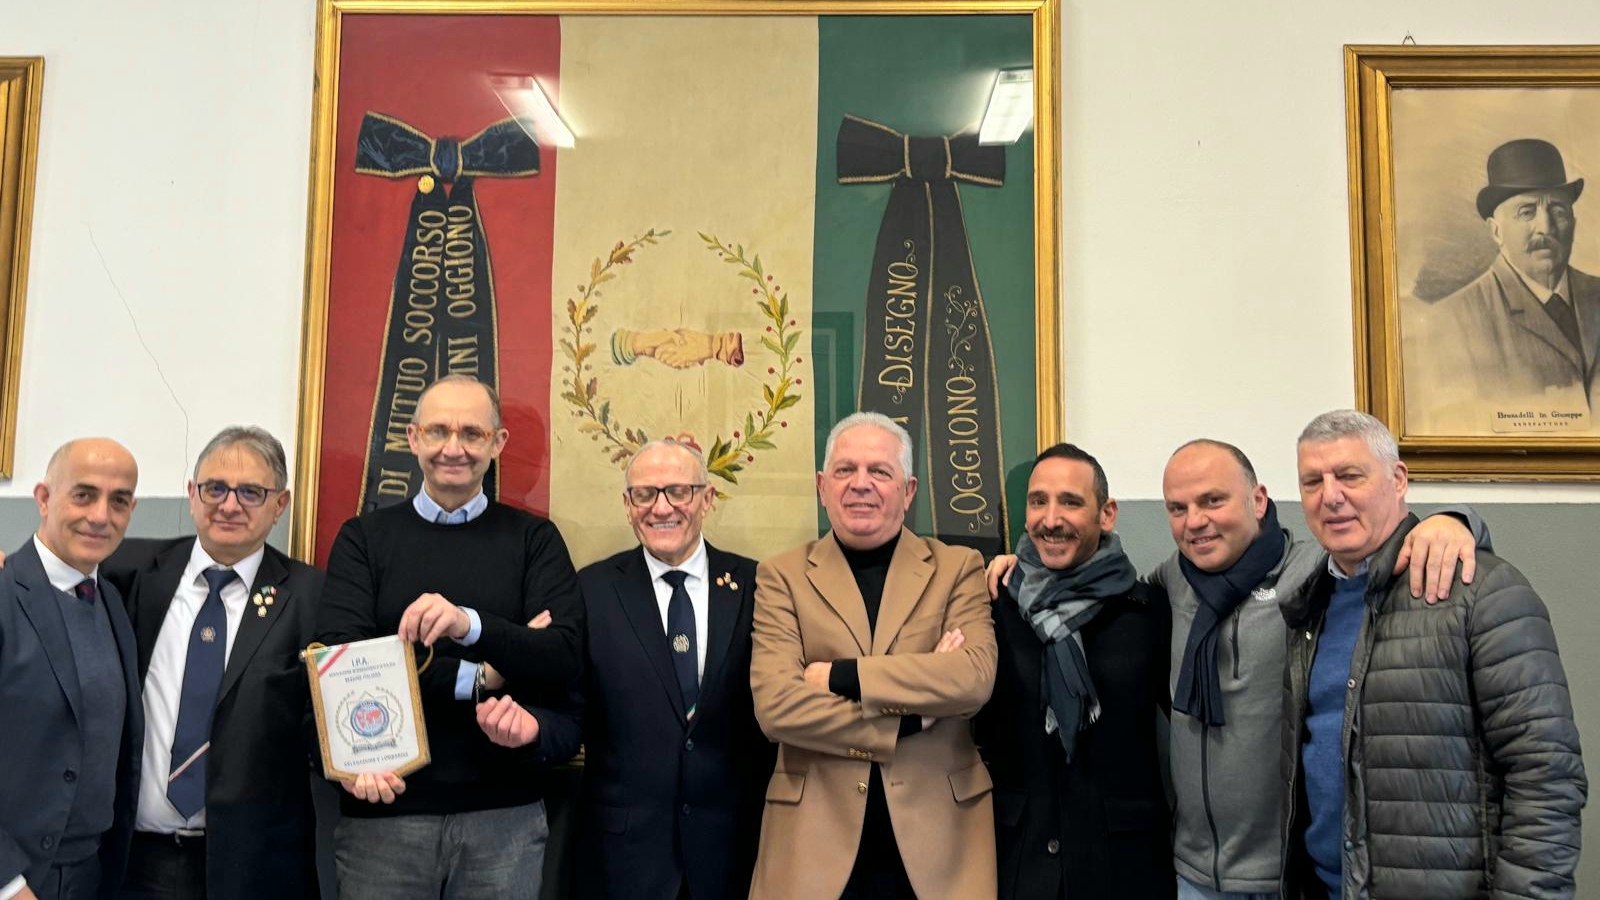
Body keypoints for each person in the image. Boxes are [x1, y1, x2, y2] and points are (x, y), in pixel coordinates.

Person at [986, 439, 1486, 900]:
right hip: (1193, 872)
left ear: (1259, 500)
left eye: (1212, 501)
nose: (1195, 521)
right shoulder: (1168, 586)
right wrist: (1021, 573)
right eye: (1178, 508)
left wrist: (1454, 520)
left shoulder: (1310, 572)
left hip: (1290, 869)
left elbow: (1379, 545)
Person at [1280, 409, 1586, 898]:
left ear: (1398, 479)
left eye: (1350, 476)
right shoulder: (1308, 604)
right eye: (1312, 481)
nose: (1330, 496)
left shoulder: (1483, 590)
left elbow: (1546, 774)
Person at [316, 374, 583, 899]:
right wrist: (490, 672)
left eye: (472, 433)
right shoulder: (362, 540)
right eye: (438, 431)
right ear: (413, 438)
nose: (453, 448)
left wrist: (469, 625)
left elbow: (561, 658)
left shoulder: (536, 541)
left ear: (498, 443)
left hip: (505, 819)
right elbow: (344, 671)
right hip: (385, 815)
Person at [748, 411, 998, 900]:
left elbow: (971, 679)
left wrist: (839, 677)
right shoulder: (781, 576)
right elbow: (776, 708)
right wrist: (908, 720)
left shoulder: (957, 567)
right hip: (813, 847)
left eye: (879, 471)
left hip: (941, 845)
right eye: (845, 470)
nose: (860, 483)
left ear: (908, 491)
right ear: (822, 486)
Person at [96, 427, 323, 900]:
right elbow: (51, 573)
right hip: (134, 863)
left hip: (255, 871)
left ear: (280, 504)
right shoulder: (127, 569)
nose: (229, 505)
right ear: (192, 494)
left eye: (251, 492)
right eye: (215, 488)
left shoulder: (311, 596)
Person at [574, 439, 774, 899]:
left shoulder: (757, 585)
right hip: (624, 860)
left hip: (734, 853)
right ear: (628, 505)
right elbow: (570, 706)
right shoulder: (591, 589)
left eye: (679, 492)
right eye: (645, 494)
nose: (661, 508)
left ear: (708, 499)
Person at [975, 443, 1173, 899]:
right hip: (1018, 863)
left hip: (1124, 867)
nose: (1051, 519)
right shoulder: (994, 605)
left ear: (1107, 514)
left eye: (1070, 502)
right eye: (1038, 501)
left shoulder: (1149, 611)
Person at [0, 439, 144, 900]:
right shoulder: (4, 593)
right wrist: (8, 882)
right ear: (44, 498)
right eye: (83, 495)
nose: (100, 516)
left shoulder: (112, 602)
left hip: (92, 874)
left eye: (118, 501)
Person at [1406, 138, 1600, 428]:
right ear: (1496, 231)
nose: (1545, 228)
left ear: (1573, 223)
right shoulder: (1451, 322)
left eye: (1558, 211)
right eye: (1527, 212)